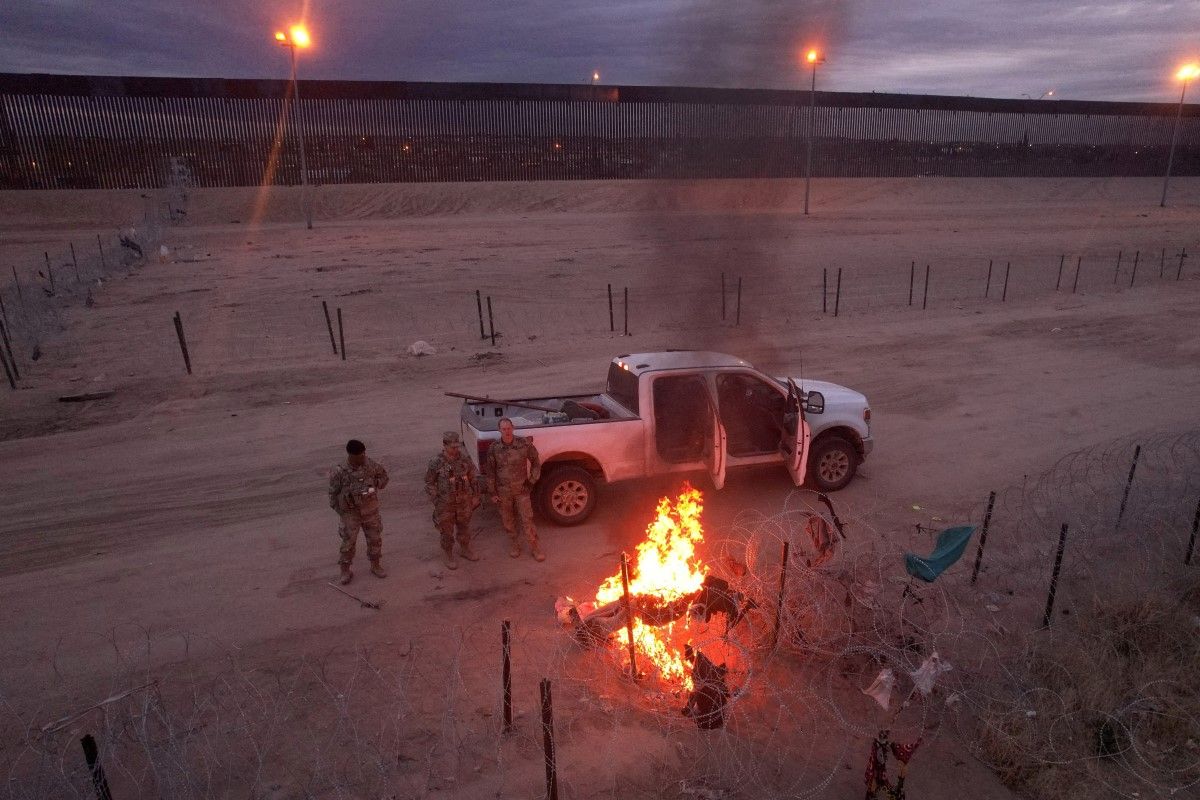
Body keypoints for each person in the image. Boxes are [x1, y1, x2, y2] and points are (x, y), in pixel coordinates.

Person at [328, 439, 390, 584]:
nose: (363, 457)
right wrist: (342, 512)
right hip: (350, 514)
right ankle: (345, 570)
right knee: (348, 543)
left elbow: (384, 478)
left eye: (363, 454)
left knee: (375, 539)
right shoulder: (340, 471)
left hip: (370, 510)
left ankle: (375, 565)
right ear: (351, 455)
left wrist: (374, 486)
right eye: (359, 456)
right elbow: (333, 494)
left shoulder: (370, 464)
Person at [485, 417, 544, 561]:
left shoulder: (523, 444)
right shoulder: (494, 448)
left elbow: (536, 462)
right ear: (499, 430)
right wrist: (492, 492)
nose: (507, 431)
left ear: (513, 428)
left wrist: (531, 481)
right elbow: (490, 471)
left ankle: (535, 548)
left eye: (509, 428)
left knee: (527, 519)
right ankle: (514, 545)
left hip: (522, 490)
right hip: (503, 491)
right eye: (504, 429)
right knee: (508, 521)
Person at [424, 431, 481, 569]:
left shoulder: (464, 460)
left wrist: (476, 496)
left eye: (457, 447)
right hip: (445, 504)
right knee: (446, 531)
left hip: (463, 502)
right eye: (452, 447)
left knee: (464, 527)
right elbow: (429, 483)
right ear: (444, 446)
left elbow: (473, 478)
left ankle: (465, 549)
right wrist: (436, 500)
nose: (456, 450)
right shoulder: (436, 463)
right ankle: (448, 554)